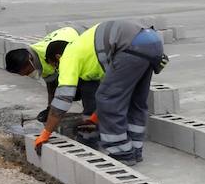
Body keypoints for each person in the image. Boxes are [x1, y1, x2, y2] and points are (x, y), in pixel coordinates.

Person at [33, 20, 166, 164]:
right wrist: (95, 116)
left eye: (55, 66)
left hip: (130, 45)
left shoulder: (68, 56)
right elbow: (114, 89)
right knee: (135, 100)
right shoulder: (88, 53)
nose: (57, 70)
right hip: (152, 40)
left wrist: (46, 133)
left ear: (58, 57)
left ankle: (123, 154)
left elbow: (63, 100)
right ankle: (135, 150)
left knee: (107, 100)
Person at [4, 26, 98, 123]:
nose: (28, 75)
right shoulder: (38, 61)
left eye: (27, 72)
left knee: (86, 82)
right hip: (66, 44)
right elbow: (51, 85)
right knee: (68, 90)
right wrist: (50, 109)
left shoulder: (51, 53)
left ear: (30, 60)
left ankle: (91, 116)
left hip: (80, 37)